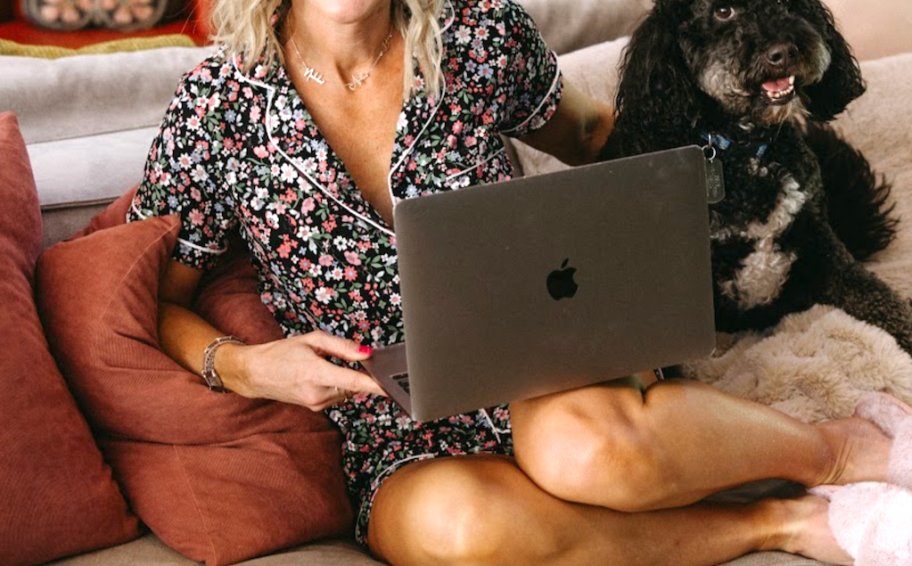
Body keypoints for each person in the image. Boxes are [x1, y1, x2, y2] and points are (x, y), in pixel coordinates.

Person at [127, 0, 893, 564]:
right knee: (460, 531)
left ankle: (839, 451)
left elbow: (596, 136)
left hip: (535, 351)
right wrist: (250, 365)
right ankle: (781, 524)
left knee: (585, 454)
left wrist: (667, 247)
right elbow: (158, 300)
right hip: (383, 418)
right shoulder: (214, 109)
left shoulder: (477, 34)